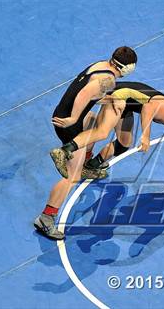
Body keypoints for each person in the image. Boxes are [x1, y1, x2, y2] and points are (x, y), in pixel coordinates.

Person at [34, 47, 138, 240]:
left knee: (91, 120)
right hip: (68, 124)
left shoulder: (101, 65)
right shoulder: (109, 79)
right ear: (127, 68)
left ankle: (87, 162)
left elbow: (91, 93)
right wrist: (73, 118)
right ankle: (46, 218)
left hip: (65, 114)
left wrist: (109, 99)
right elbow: (85, 93)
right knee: (71, 176)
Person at [50, 82, 164, 180]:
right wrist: (145, 135)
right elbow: (148, 109)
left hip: (127, 103)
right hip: (119, 95)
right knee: (102, 131)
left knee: (124, 144)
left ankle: (90, 166)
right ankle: (64, 151)